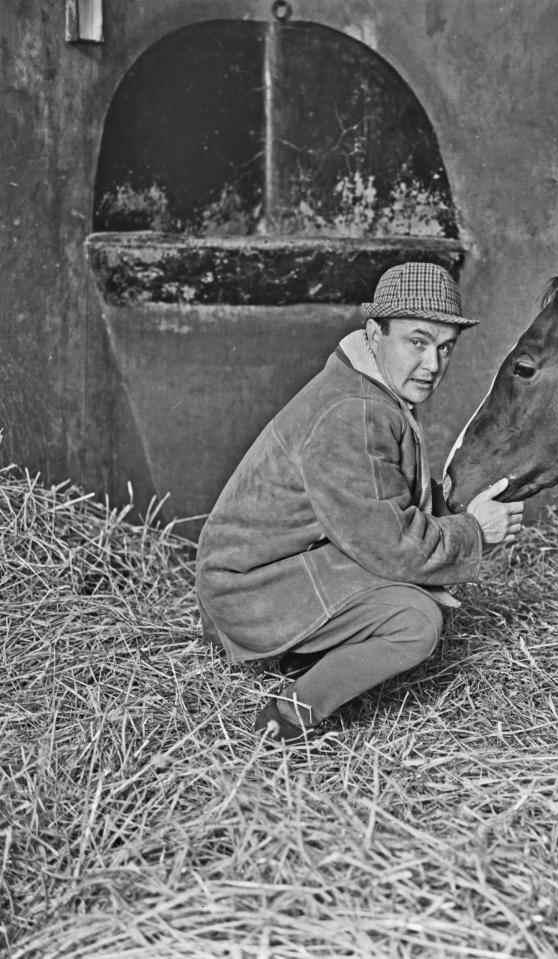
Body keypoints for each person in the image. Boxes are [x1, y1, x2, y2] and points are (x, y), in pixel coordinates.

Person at [195, 261, 522, 743]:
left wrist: (449, 503)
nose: (433, 365)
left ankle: (308, 652)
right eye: (417, 341)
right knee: (416, 622)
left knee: (413, 597)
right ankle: (290, 713)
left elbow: (375, 498)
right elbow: (391, 546)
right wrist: (475, 531)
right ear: (375, 334)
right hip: (248, 589)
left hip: (280, 566)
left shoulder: (367, 389)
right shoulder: (354, 412)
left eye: (445, 348)